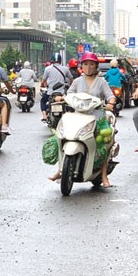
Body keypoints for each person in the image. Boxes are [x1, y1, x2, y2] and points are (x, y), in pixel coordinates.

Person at [48, 52, 117, 188]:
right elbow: (69, 94)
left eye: (91, 64)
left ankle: (103, 175)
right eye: (86, 64)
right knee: (60, 136)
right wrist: (61, 98)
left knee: (105, 141)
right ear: (82, 66)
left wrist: (111, 103)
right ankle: (60, 170)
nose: (88, 67)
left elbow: (110, 96)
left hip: (96, 117)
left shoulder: (102, 82)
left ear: (96, 66)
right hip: (77, 116)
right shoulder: (77, 81)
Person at [40, 53, 73, 123]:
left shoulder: (47, 69)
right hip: (62, 93)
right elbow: (71, 79)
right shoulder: (65, 69)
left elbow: (43, 81)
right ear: (60, 61)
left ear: (52, 61)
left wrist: (42, 85)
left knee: (43, 101)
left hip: (50, 93)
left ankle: (44, 116)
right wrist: (70, 86)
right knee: (69, 103)